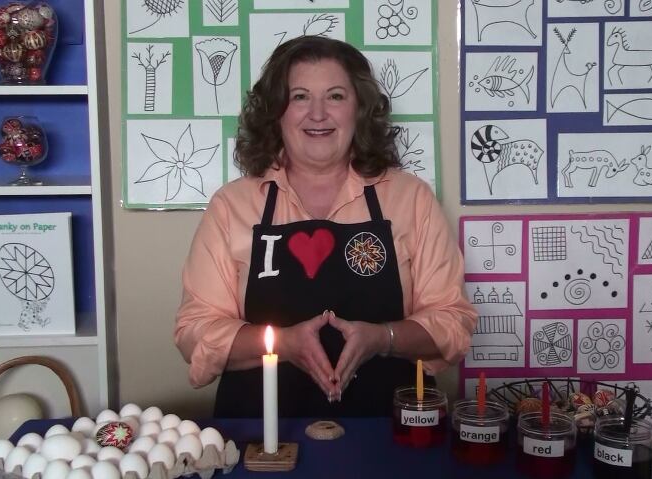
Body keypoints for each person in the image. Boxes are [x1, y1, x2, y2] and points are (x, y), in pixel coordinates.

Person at [174, 36, 476, 418]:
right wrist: (282, 343)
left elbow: (452, 320)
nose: (317, 114)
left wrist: (383, 338)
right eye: (300, 96)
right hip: (260, 430)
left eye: (335, 96)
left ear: (360, 109)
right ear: (276, 111)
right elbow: (194, 330)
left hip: (389, 427)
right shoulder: (232, 206)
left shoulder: (411, 198)